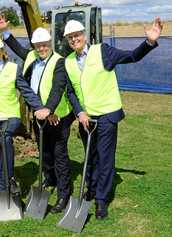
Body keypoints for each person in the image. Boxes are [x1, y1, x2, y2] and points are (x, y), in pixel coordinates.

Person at [60, 17, 162, 219]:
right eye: (70, 37)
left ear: (84, 35)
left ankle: (101, 200)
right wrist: (79, 112)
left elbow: (132, 56)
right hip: (86, 118)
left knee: (105, 158)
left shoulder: (103, 51)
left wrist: (149, 42)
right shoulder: (68, 61)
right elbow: (71, 91)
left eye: (77, 35)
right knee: (90, 156)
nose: (74, 39)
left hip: (106, 114)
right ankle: (92, 188)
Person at [0, 14, 89, 213]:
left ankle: (64, 193)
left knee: (59, 154)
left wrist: (49, 110)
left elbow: (58, 88)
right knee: (44, 151)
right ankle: (50, 178)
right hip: (38, 117)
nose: (42, 48)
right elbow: (17, 47)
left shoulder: (59, 61)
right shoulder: (31, 56)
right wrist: (5, 31)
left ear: (50, 43)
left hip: (57, 117)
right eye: (38, 45)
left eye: (45, 44)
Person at [0, 34, 43, 195]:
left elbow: (26, 90)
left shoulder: (13, 69)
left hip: (10, 116)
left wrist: (39, 107)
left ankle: (10, 179)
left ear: (2, 50)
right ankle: (4, 186)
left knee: (5, 137)